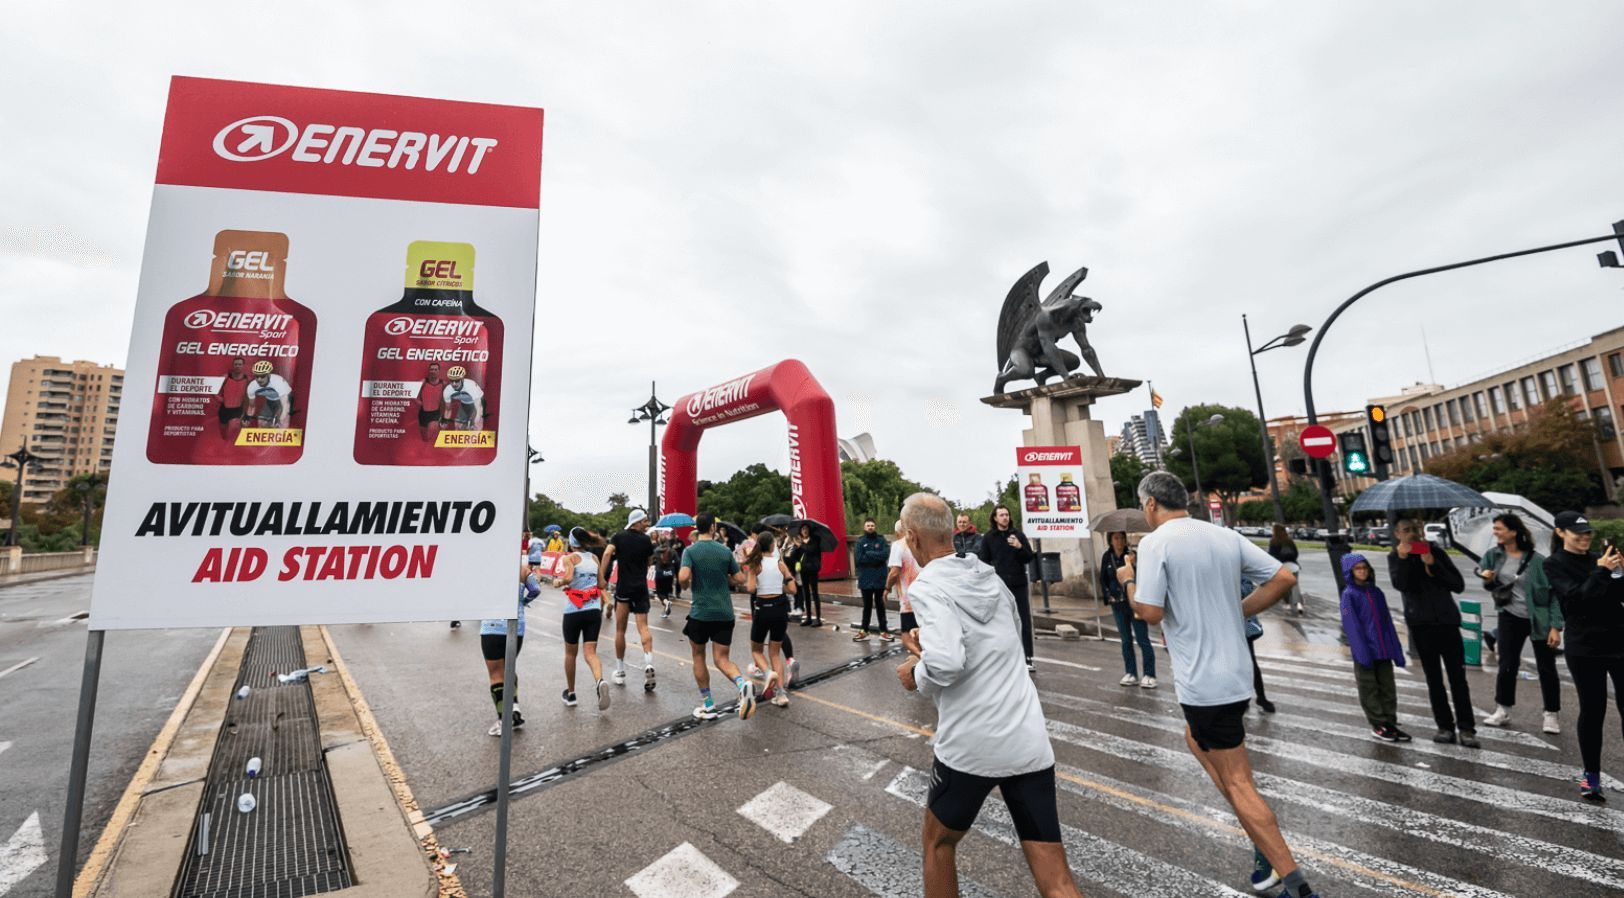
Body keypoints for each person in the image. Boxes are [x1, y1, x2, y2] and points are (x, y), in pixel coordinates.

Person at [1124, 472, 1320, 898]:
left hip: (1204, 682)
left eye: (1143, 506)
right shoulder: (1223, 535)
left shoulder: (1156, 542)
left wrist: (1128, 581)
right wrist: (1238, 611)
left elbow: (1150, 612)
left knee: (1237, 782)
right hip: (1234, 675)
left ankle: (1292, 881)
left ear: (1152, 504)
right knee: (1196, 740)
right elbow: (1284, 577)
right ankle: (1263, 843)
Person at [892, 492, 1082, 898]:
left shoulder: (927, 587)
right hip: (1027, 738)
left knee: (937, 843)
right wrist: (930, 648)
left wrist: (917, 672)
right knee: (1055, 875)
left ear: (912, 536)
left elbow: (947, 663)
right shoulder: (989, 576)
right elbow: (1003, 640)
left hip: (972, 742)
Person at [1542, 510, 1624, 802]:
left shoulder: (1598, 559)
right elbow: (1578, 600)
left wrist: (1618, 571)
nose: (1585, 539)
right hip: (1585, 647)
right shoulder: (1553, 564)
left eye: (1588, 534)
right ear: (1561, 533)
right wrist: (1601, 571)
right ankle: (1591, 776)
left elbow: (1617, 595)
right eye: (1579, 535)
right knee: (1593, 709)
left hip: (1618, 640)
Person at [1390, 518, 1478, 748]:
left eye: (1416, 529)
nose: (1412, 534)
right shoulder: (1396, 557)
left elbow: (1457, 584)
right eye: (1407, 530)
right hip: (1421, 625)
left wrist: (1433, 564)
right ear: (1397, 534)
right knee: (1434, 679)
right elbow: (1402, 584)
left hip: (1447, 622)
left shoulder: (1436, 552)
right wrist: (1404, 559)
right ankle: (1444, 726)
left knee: (1458, 678)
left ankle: (1467, 728)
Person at [1478, 513, 1563, 735]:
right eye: (1494, 529)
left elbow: (1554, 596)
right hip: (1509, 616)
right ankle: (1502, 710)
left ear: (1513, 532)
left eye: (1499, 529)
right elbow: (1489, 583)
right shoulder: (1493, 556)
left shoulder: (1537, 562)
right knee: (1507, 664)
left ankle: (1551, 714)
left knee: (1546, 667)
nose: (1495, 532)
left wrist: (1555, 626)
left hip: (1539, 619)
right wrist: (1487, 579)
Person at [679, 512, 756, 721]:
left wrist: (687, 581)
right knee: (722, 659)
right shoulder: (724, 551)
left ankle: (709, 705)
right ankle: (742, 684)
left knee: (698, 656)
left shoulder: (690, 551)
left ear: (697, 529)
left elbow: (683, 577)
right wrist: (724, 576)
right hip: (724, 612)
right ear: (713, 528)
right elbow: (740, 578)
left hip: (701, 613)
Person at [1340, 553, 1410, 742]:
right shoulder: (1348, 596)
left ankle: (1389, 722)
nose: (1362, 571)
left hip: (1383, 649)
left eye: (1364, 567)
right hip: (1366, 651)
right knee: (1369, 687)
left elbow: (1387, 621)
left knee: (1388, 687)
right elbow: (1350, 624)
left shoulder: (1377, 593)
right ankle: (1378, 723)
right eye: (1357, 568)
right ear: (1350, 572)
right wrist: (1361, 650)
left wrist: (1395, 649)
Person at [551, 528, 610, 711]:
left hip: (573, 611)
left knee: (570, 654)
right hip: (593, 610)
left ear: (571, 541)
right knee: (590, 653)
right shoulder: (594, 558)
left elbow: (568, 577)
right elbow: (602, 584)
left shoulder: (568, 558)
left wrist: (558, 582)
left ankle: (571, 694)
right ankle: (599, 681)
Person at [478, 564, 541, 736]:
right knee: (509, 668)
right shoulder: (523, 568)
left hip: (493, 625)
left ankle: (503, 721)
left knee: (496, 675)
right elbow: (535, 589)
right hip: (517, 625)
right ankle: (514, 709)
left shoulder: (485, 568)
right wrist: (524, 602)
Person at [600, 509, 658, 692]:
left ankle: (620, 670)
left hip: (624, 587)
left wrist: (602, 575)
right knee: (643, 627)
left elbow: (608, 553)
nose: (647, 524)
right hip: (641, 587)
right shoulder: (646, 540)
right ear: (636, 522)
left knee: (620, 630)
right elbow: (650, 562)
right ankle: (648, 663)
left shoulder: (618, 537)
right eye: (645, 521)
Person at [977, 504, 1036, 672]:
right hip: (999, 585)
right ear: (995, 518)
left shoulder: (1018, 535)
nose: (1005, 517)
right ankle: (1003, 658)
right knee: (1000, 622)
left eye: (1007, 514)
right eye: (1001, 515)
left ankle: (1027, 657)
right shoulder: (989, 538)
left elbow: (1028, 558)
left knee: (1023, 620)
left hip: (1018, 583)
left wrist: (1019, 547)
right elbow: (983, 561)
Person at [743, 531, 796, 708]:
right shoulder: (780, 564)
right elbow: (793, 589)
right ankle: (781, 694)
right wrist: (780, 584)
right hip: (780, 607)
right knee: (775, 652)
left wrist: (754, 580)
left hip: (762, 608)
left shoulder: (755, 565)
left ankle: (767, 673)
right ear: (772, 546)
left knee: (757, 650)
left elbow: (751, 588)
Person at [1101, 531, 1156, 688]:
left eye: (1122, 538)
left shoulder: (1132, 555)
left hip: (1134, 602)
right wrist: (1108, 595)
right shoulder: (1107, 557)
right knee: (1125, 640)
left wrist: (1133, 563)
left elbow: (1142, 576)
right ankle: (1131, 672)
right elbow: (1103, 579)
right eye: (1116, 538)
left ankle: (1150, 674)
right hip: (1117, 603)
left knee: (1142, 638)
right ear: (1111, 540)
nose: (1119, 541)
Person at [853, 517, 894, 641]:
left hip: (879, 578)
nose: (870, 527)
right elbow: (859, 559)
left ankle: (884, 631)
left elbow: (885, 555)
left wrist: (869, 554)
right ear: (864, 527)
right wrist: (876, 557)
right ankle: (864, 630)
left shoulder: (881, 540)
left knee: (880, 605)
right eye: (868, 525)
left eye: (872, 525)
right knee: (867, 606)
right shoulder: (860, 542)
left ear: (874, 527)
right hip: (865, 579)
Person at [1242, 595, 1275, 714]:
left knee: (1250, 663)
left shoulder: (1241, 577)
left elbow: (1250, 594)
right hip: (1229, 625)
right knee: (1242, 664)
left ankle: (1260, 697)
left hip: (1242, 625)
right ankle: (1246, 698)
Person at [888, 519, 921, 633]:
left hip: (908, 600)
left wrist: (887, 588)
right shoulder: (920, 543)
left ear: (897, 533)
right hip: (924, 596)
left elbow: (894, 572)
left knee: (908, 637)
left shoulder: (898, 545)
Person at [794, 523, 825, 627]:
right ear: (800, 531)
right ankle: (808, 617)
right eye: (802, 529)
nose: (804, 531)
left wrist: (801, 545)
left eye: (806, 529)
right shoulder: (799, 542)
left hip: (813, 569)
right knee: (806, 593)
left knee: (815, 593)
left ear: (809, 530)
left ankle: (818, 619)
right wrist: (796, 547)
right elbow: (796, 556)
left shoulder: (815, 540)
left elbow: (811, 550)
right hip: (804, 570)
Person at [1268, 524, 1304, 614]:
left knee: (1283, 586)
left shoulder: (1273, 541)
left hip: (1282, 567)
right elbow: (1296, 553)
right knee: (1295, 584)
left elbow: (1271, 555)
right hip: (1293, 566)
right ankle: (1298, 603)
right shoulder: (1289, 541)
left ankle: (1287, 603)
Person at [215, 356, 248, 439]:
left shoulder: (247, 379)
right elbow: (213, 389)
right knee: (223, 431)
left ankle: (235, 446)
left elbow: (252, 392)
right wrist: (220, 399)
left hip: (238, 409)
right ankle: (225, 443)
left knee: (235, 428)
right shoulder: (225, 377)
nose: (238, 366)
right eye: (236, 364)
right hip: (225, 409)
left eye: (240, 364)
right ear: (233, 365)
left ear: (243, 366)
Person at [653, 529, 683, 618]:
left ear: (659, 541)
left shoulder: (656, 550)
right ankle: (665, 610)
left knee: (659, 593)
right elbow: (677, 562)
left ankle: (666, 603)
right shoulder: (672, 551)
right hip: (669, 572)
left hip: (659, 572)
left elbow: (652, 561)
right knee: (666, 592)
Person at [416, 362, 444, 441]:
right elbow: (412, 391)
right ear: (429, 371)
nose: (433, 371)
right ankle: (425, 450)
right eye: (431, 369)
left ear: (439, 371)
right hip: (423, 412)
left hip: (435, 413)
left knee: (435, 433)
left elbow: (450, 393)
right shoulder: (424, 381)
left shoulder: (443, 383)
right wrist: (417, 401)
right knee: (424, 438)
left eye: (435, 369)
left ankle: (436, 451)